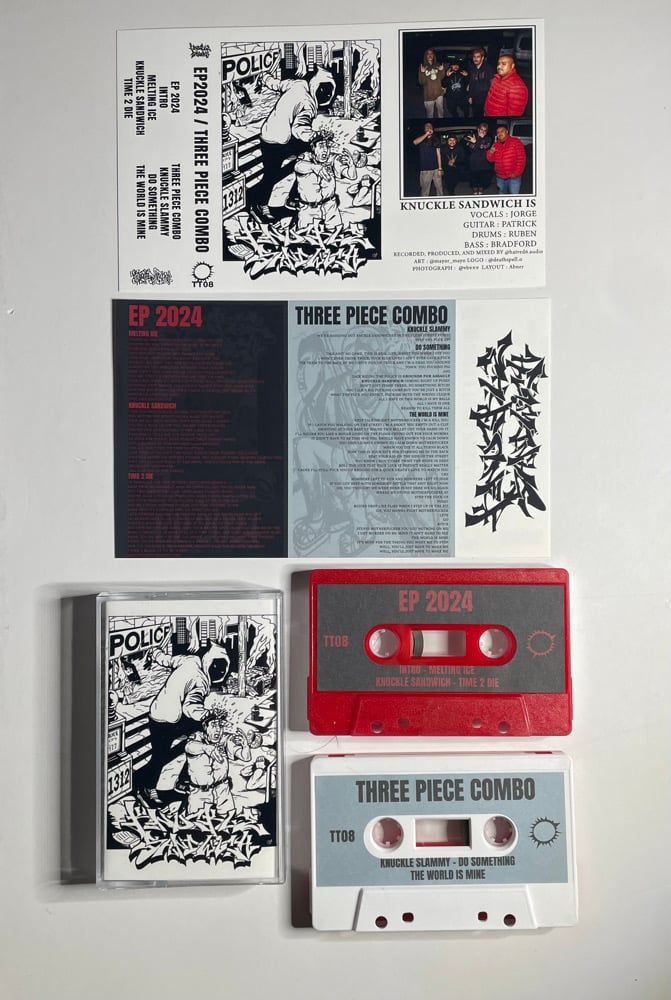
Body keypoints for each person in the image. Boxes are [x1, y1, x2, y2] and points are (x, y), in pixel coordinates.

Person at [249, 67, 336, 222]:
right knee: (272, 174)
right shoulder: (308, 104)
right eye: (323, 92)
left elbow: (277, 84)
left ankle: (294, 196)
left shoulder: (298, 84)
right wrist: (313, 136)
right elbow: (299, 128)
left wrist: (265, 77)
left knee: (306, 155)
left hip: (269, 133)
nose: (324, 96)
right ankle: (259, 205)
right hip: (276, 141)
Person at [184, 710, 251, 818]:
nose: (218, 730)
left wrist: (245, 745)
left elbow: (246, 757)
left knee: (229, 822)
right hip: (200, 794)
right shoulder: (196, 739)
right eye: (214, 725)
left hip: (222, 791)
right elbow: (189, 747)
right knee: (196, 824)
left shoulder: (225, 740)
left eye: (220, 725)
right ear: (205, 727)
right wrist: (206, 748)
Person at [293, 134, 355, 231]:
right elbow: (298, 166)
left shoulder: (332, 159)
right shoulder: (305, 158)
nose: (325, 150)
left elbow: (352, 176)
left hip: (330, 208)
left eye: (327, 146)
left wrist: (351, 165)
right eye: (321, 145)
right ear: (313, 147)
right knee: (307, 237)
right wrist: (314, 167)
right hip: (309, 210)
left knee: (336, 235)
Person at [486, 124, 526, 194]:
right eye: (498, 132)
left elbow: (521, 159)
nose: (500, 134)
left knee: (514, 195)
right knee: (501, 194)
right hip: (500, 177)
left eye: (502, 131)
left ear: (507, 132)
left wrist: (516, 173)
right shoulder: (495, 144)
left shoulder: (516, 142)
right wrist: (491, 152)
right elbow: (490, 159)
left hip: (513, 176)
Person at [413, 121, 443, 197]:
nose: (429, 127)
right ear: (424, 129)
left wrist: (440, 169)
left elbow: (438, 154)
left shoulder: (436, 139)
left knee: (439, 188)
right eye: (427, 126)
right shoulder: (421, 138)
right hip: (425, 169)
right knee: (425, 190)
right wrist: (426, 134)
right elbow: (415, 142)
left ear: (432, 129)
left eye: (430, 126)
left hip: (436, 169)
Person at [464, 122, 494, 194]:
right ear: (478, 129)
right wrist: (475, 142)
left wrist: (476, 142)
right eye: (481, 129)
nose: (483, 131)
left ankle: (480, 194)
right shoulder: (472, 138)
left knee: (482, 183)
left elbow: (484, 147)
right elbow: (471, 148)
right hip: (473, 165)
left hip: (484, 166)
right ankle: (475, 194)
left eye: (485, 130)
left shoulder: (488, 139)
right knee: (474, 183)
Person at [467, 47, 495, 121]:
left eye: (478, 57)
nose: (475, 59)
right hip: (475, 98)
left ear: (482, 58)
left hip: (485, 99)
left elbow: (493, 85)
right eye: (474, 57)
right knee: (476, 115)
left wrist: (491, 99)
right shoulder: (472, 68)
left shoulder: (488, 69)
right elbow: (471, 83)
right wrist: (470, 96)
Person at [418, 48, 444, 118]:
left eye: (431, 53)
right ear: (425, 56)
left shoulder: (437, 64)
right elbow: (421, 82)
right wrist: (422, 73)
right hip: (429, 95)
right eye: (428, 54)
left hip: (439, 93)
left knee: (441, 111)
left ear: (433, 55)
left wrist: (441, 70)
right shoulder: (423, 66)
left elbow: (441, 77)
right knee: (430, 114)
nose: (430, 55)